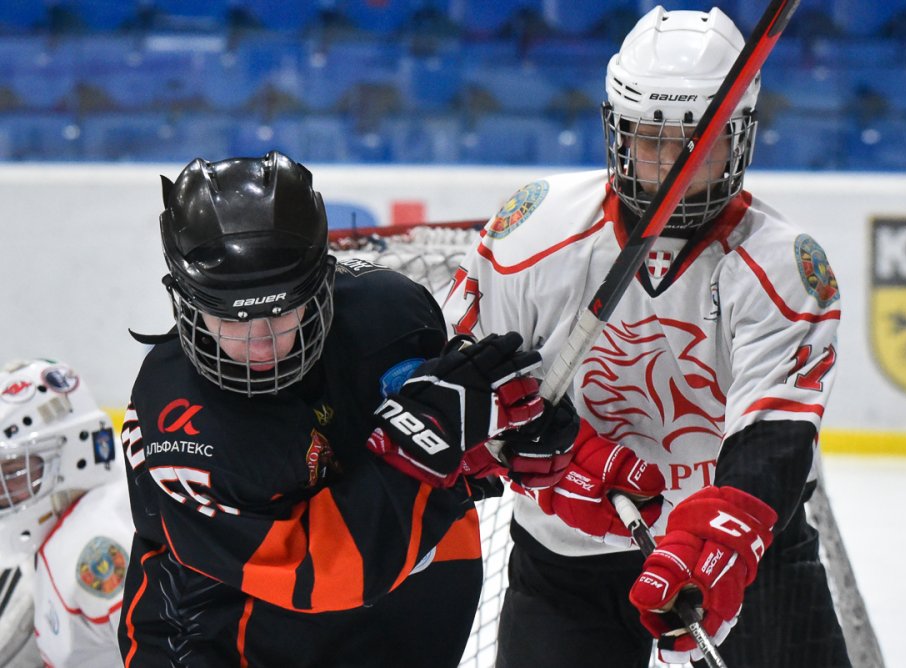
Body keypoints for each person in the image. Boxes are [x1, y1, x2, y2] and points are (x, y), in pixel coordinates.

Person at [439, 7, 851, 668]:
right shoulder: (533, 233)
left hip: (738, 554)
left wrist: (720, 539)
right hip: (567, 562)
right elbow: (458, 382)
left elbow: (772, 439)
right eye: (652, 138)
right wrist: (546, 454)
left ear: (740, 139)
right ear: (619, 132)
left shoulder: (785, 268)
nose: (672, 165)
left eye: (698, 143)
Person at [117, 151, 568, 667]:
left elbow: (450, 451)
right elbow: (328, 572)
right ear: (186, 298)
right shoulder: (180, 420)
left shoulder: (393, 316)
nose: (261, 344)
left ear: (320, 281)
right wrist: (431, 440)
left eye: (282, 311)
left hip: (397, 640)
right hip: (221, 648)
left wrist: (505, 442)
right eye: (231, 319)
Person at [0, 358, 128, 668]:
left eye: (13, 472)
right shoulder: (62, 527)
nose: (3, 492)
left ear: (75, 453)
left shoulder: (98, 545)